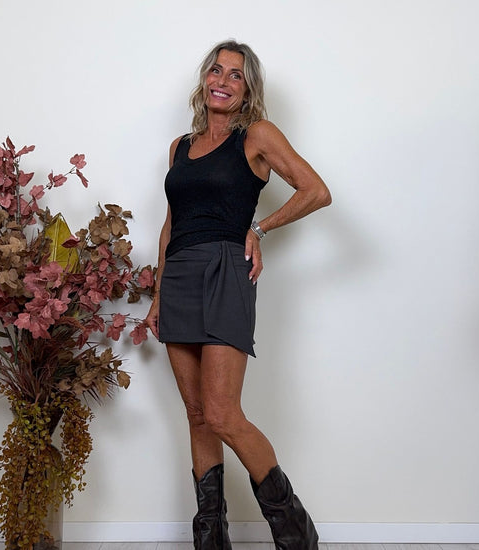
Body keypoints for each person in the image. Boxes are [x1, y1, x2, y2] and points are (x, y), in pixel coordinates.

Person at [145, 39, 331, 550]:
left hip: (226, 271)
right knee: (197, 415)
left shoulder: (258, 135)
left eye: (236, 75)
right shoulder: (179, 148)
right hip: (179, 277)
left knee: (223, 413)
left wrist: (260, 228)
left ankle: (296, 534)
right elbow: (170, 225)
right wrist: (158, 293)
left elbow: (316, 191)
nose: (222, 81)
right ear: (204, 78)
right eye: (216, 70)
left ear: (248, 89)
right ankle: (211, 539)